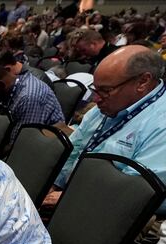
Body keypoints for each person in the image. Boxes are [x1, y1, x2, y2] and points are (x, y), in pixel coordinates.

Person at [43, 46, 166, 215]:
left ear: (143, 82)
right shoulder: (103, 108)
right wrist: (52, 184)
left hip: (108, 215)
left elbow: (138, 196)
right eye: (96, 89)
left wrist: (72, 198)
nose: (96, 99)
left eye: (106, 91)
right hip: (69, 199)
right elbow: (74, 150)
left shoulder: (161, 125)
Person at [0, 54, 64, 142]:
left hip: (50, 142)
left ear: (1, 85)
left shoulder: (27, 97)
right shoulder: (17, 81)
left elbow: (20, 140)